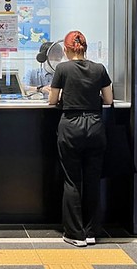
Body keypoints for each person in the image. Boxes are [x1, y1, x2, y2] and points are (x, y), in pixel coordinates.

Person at [48, 30, 114, 247]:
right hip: (95, 125)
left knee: (72, 180)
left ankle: (75, 234)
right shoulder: (99, 68)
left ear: (66, 49)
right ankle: (92, 231)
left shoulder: (62, 68)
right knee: (93, 180)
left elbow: (52, 100)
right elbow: (108, 99)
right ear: (85, 48)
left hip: (71, 126)